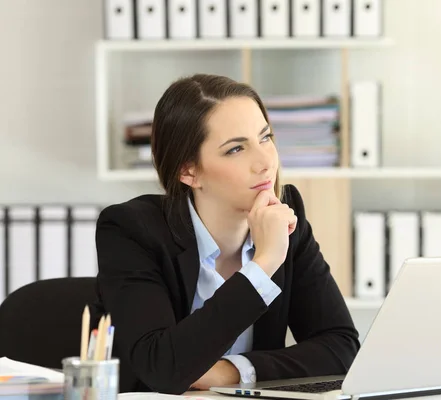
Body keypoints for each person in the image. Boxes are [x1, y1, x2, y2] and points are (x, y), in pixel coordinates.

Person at [92, 73, 360, 395]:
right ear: (188, 171)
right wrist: (264, 265)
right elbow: (162, 368)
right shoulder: (131, 230)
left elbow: (342, 348)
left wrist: (232, 371)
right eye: (235, 149)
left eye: (265, 137)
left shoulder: (287, 216)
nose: (264, 162)